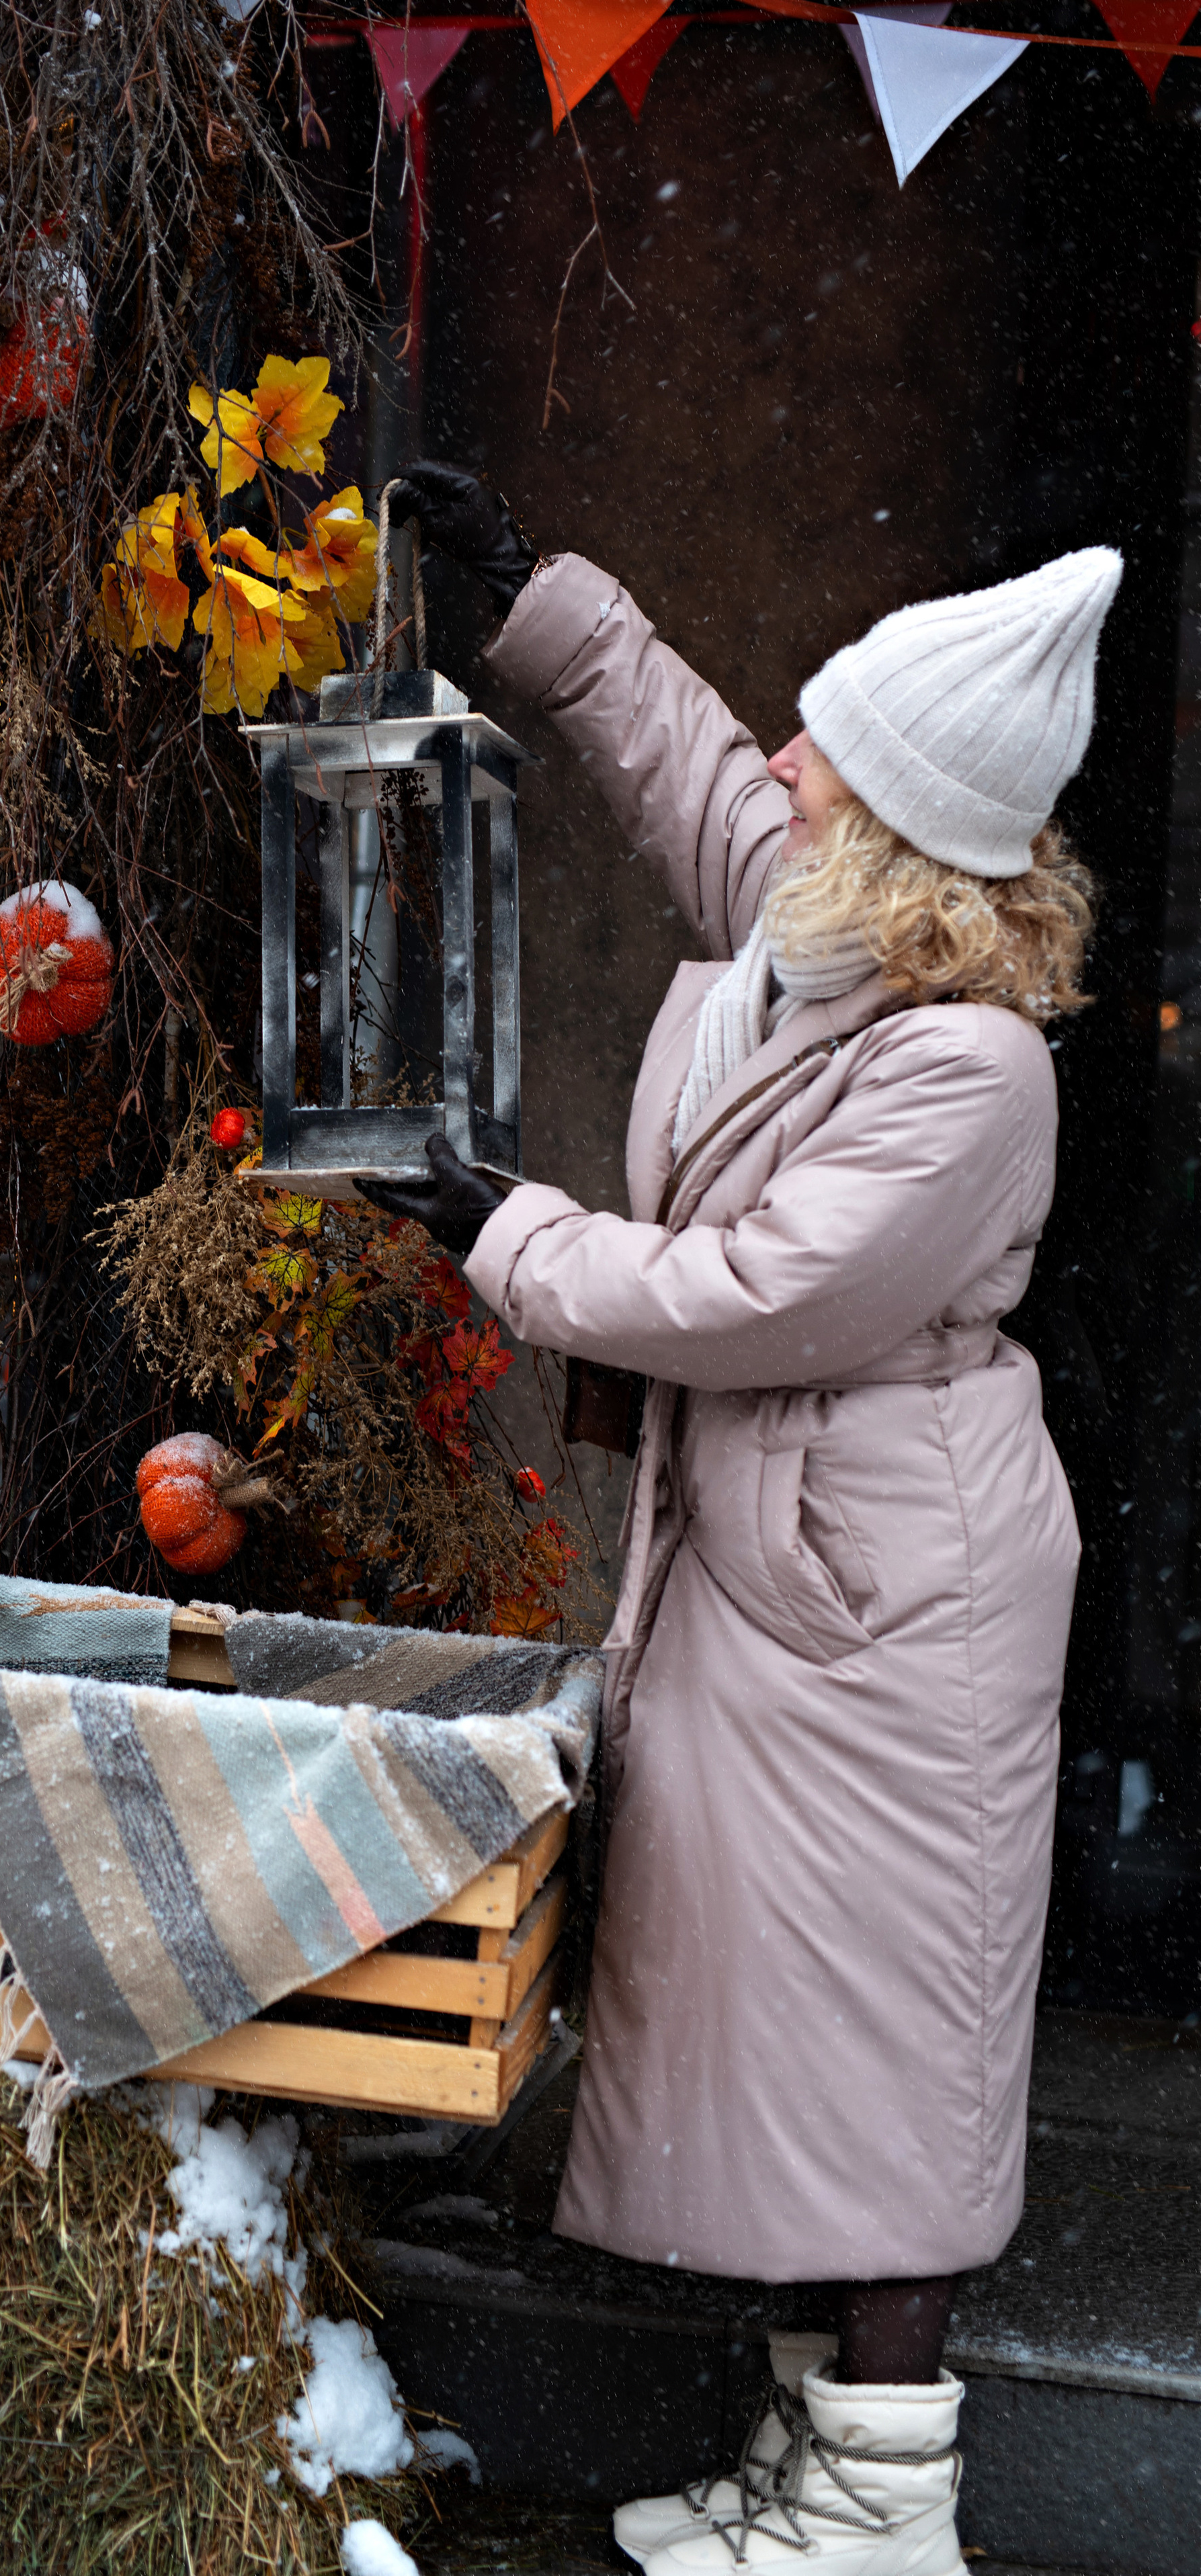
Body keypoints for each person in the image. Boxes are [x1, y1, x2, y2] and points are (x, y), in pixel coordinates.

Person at [360, 462, 1118, 2576]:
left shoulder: (973, 1070)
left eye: (828, 752)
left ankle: (889, 2501)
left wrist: (500, 1231)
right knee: (789, 2012)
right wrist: (538, 603)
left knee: (878, 2034)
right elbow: (687, 751)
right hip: (792, 1576)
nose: (780, 760)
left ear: (893, 830)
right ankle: (817, 2467)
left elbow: (752, 1294)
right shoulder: (821, 940)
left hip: (895, 1599)